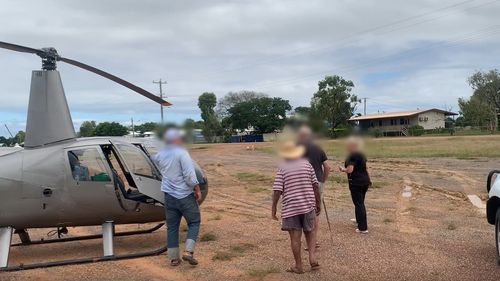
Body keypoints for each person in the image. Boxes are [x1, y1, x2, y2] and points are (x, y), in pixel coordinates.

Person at [152, 128, 202, 266]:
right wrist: (197, 189)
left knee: (172, 227)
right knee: (194, 222)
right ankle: (188, 251)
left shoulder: (160, 155)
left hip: (168, 196)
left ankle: (174, 258)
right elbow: (189, 176)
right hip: (184, 195)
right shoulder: (182, 153)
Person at [271, 141, 321, 274]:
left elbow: (277, 190)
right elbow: (315, 185)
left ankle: (299, 266)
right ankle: (312, 257)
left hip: (291, 208)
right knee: (310, 233)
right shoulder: (307, 165)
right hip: (308, 206)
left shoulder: (283, 168)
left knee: (295, 237)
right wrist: (318, 203)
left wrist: (274, 208)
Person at [297, 126, 330, 250]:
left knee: (301, 210)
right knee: (316, 211)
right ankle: (313, 242)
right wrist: (323, 180)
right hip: (318, 182)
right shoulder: (318, 148)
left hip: (303, 183)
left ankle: (302, 240)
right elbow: (327, 166)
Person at [339, 137, 371, 234]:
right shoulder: (361, 154)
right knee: (360, 202)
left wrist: (342, 169)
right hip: (364, 181)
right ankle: (358, 220)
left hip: (356, 182)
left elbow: (350, 170)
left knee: (359, 204)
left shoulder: (351, 156)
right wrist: (370, 179)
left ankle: (363, 228)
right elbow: (366, 168)